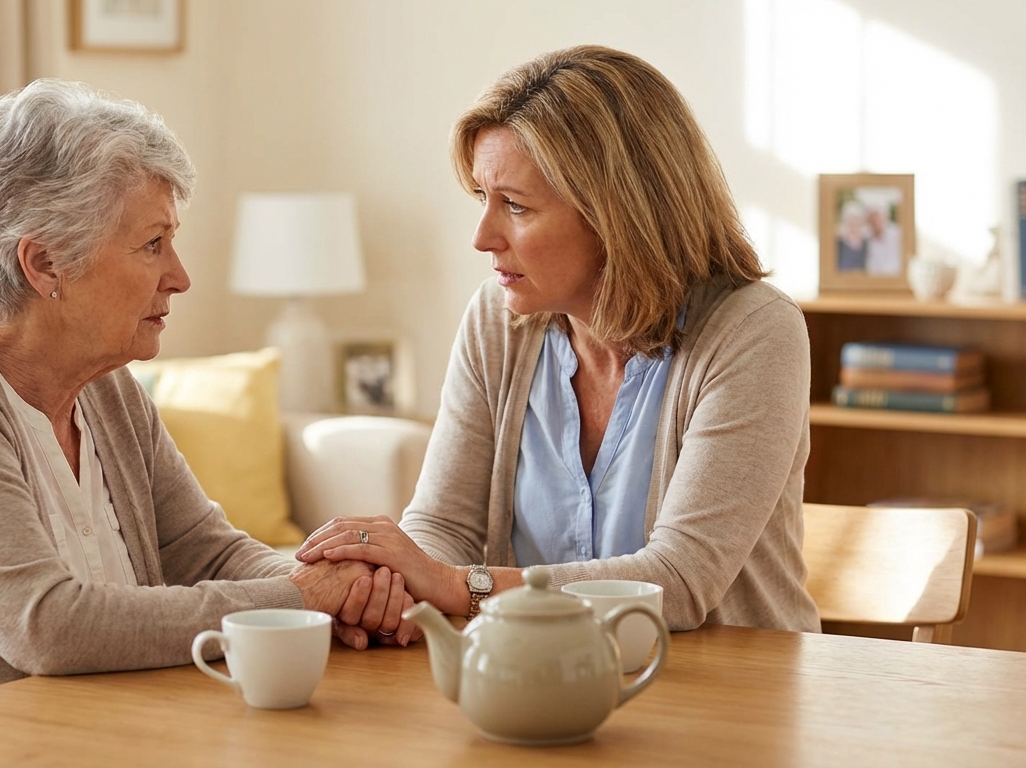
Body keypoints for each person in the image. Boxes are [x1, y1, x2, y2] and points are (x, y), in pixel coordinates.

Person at [0, 79, 414, 739]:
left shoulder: (105, 389)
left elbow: (202, 550)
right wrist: (296, 600)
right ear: (45, 264)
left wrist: (342, 585)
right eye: (152, 244)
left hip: (53, 738)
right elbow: (49, 625)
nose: (180, 276)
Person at [298, 46, 821, 634]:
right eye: (482, 200)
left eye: (515, 206)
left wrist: (451, 586)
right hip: (545, 689)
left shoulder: (754, 331)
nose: (482, 237)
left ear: (616, 215)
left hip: (733, 701)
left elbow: (677, 580)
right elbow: (443, 526)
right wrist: (392, 586)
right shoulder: (497, 322)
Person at [864, 204, 903, 276]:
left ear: (884, 217)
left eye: (877, 218)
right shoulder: (868, 239)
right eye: (871, 220)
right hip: (878, 281)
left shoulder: (897, 233)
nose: (875, 222)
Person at [836, 200, 869, 272]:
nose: (855, 222)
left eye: (858, 218)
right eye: (852, 218)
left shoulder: (866, 241)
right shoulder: (840, 240)